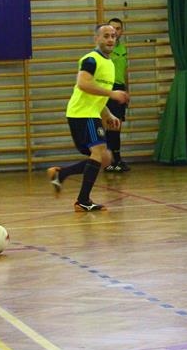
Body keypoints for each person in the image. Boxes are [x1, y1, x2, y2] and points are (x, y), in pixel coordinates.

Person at [47, 23, 129, 211]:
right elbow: (83, 84)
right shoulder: (91, 60)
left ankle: (61, 174)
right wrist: (113, 94)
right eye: (106, 36)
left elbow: (97, 94)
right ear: (96, 39)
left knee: (105, 158)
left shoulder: (109, 64)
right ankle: (83, 200)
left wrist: (108, 113)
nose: (110, 39)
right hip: (82, 114)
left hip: (91, 113)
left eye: (113, 36)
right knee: (100, 152)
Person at [105, 17, 130, 173]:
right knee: (112, 126)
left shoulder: (122, 48)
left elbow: (125, 71)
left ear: (122, 31)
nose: (115, 31)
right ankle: (112, 160)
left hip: (120, 88)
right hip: (109, 89)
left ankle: (115, 159)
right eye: (112, 28)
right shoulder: (104, 49)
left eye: (118, 28)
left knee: (117, 126)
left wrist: (127, 90)